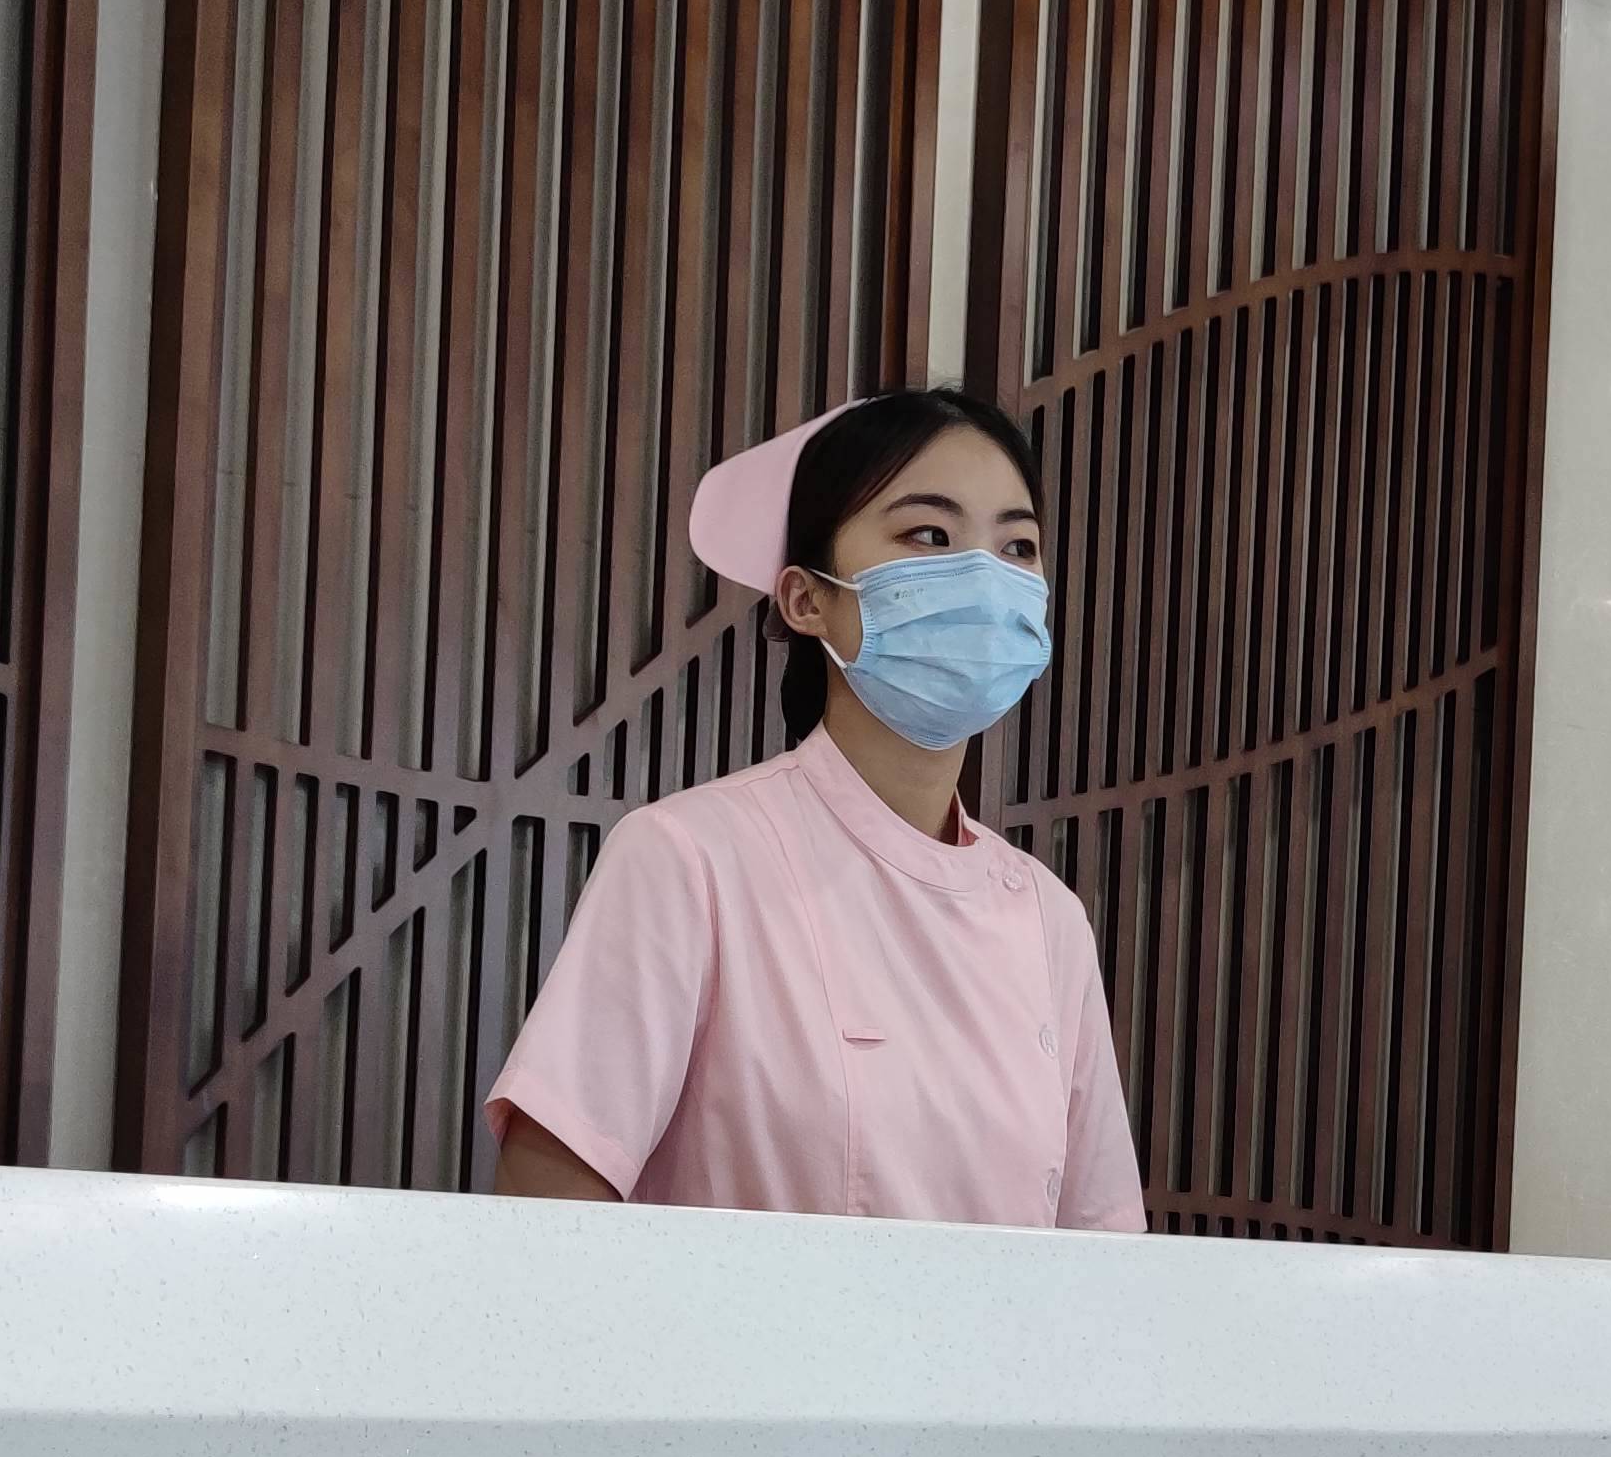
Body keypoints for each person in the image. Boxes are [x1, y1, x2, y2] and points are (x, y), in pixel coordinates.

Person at [484, 387, 1148, 1230]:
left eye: (1018, 546)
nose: (985, 579)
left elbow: (1104, 1253)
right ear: (807, 600)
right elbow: (544, 1222)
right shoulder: (690, 856)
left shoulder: (1050, 918)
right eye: (929, 535)